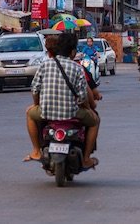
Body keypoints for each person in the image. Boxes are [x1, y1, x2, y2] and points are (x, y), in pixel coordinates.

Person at [24, 32, 100, 169]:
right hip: (72, 114)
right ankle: (86, 158)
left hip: (45, 112)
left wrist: (36, 105)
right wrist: (88, 109)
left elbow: (35, 89)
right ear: (72, 52)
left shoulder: (44, 65)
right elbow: (82, 96)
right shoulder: (77, 68)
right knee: (95, 121)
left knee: (29, 114)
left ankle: (36, 151)